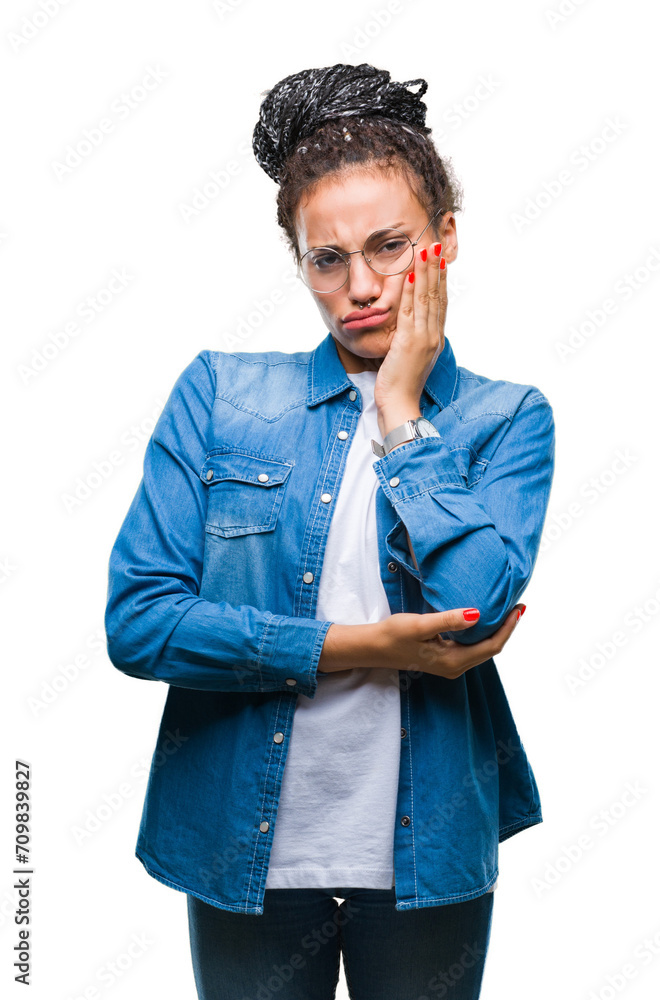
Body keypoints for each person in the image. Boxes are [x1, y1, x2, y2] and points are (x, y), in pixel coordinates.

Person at [104, 62, 556, 1000]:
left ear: (445, 240)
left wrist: (401, 415)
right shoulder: (221, 394)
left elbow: (476, 614)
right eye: (327, 259)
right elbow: (140, 623)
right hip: (246, 854)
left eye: (390, 247)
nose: (360, 288)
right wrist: (358, 647)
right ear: (300, 263)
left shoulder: (507, 420)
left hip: (427, 860)